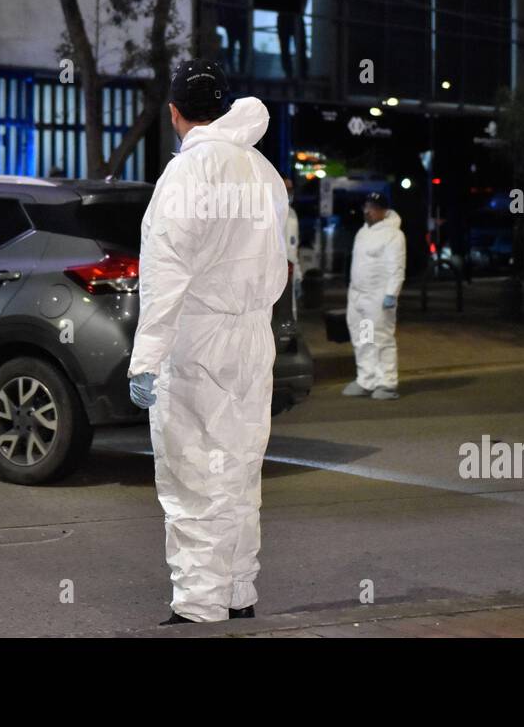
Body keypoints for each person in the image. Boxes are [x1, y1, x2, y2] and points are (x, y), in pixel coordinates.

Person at [128, 59, 288, 624]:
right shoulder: (262, 171)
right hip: (251, 337)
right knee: (239, 469)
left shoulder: (188, 173)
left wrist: (145, 360)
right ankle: (238, 591)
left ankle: (199, 605)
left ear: (174, 113)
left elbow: (166, 272)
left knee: (193, 474)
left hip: (198, 341)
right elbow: (280, 262)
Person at [343, 191, 405, 400]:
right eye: (366, 206)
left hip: (378, 298)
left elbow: (396, 267)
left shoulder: (393, 234)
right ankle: (366, 379)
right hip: (359, 297)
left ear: (384, 211)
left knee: (382, 339)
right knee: (364, 338)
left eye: (373, 207)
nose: (368, 211)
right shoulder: (363, 232)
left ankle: (387, 382)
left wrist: (391, 294)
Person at [215, 0, 250, 75]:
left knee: (239, 47)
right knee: (235, 46)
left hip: (237, 22)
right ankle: (237, 70)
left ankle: (239, 70)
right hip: (234, 22)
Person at [283, 176, 301, 316]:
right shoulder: (269, 213)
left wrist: (298, 274)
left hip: (291, 269)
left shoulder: (293, 213)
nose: (289, 192)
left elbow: (295, 245)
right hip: (276, 271)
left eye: (291, 189)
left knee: (290, 313)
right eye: (286, 189)